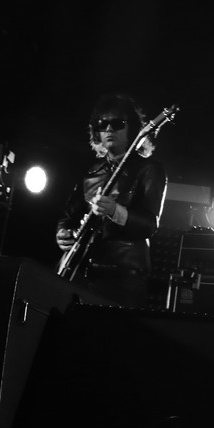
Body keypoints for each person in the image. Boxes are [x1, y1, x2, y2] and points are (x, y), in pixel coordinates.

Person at [56, 93, 167, 308]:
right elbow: (67, 216)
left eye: (117, 123)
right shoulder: (90, 173)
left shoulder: (150, 169)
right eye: (102, 124)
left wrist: (115, 211)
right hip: (83, 273)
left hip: (124, 277)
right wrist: (62, 234)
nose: (108, 129)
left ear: (132, 128)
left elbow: (149, 225)